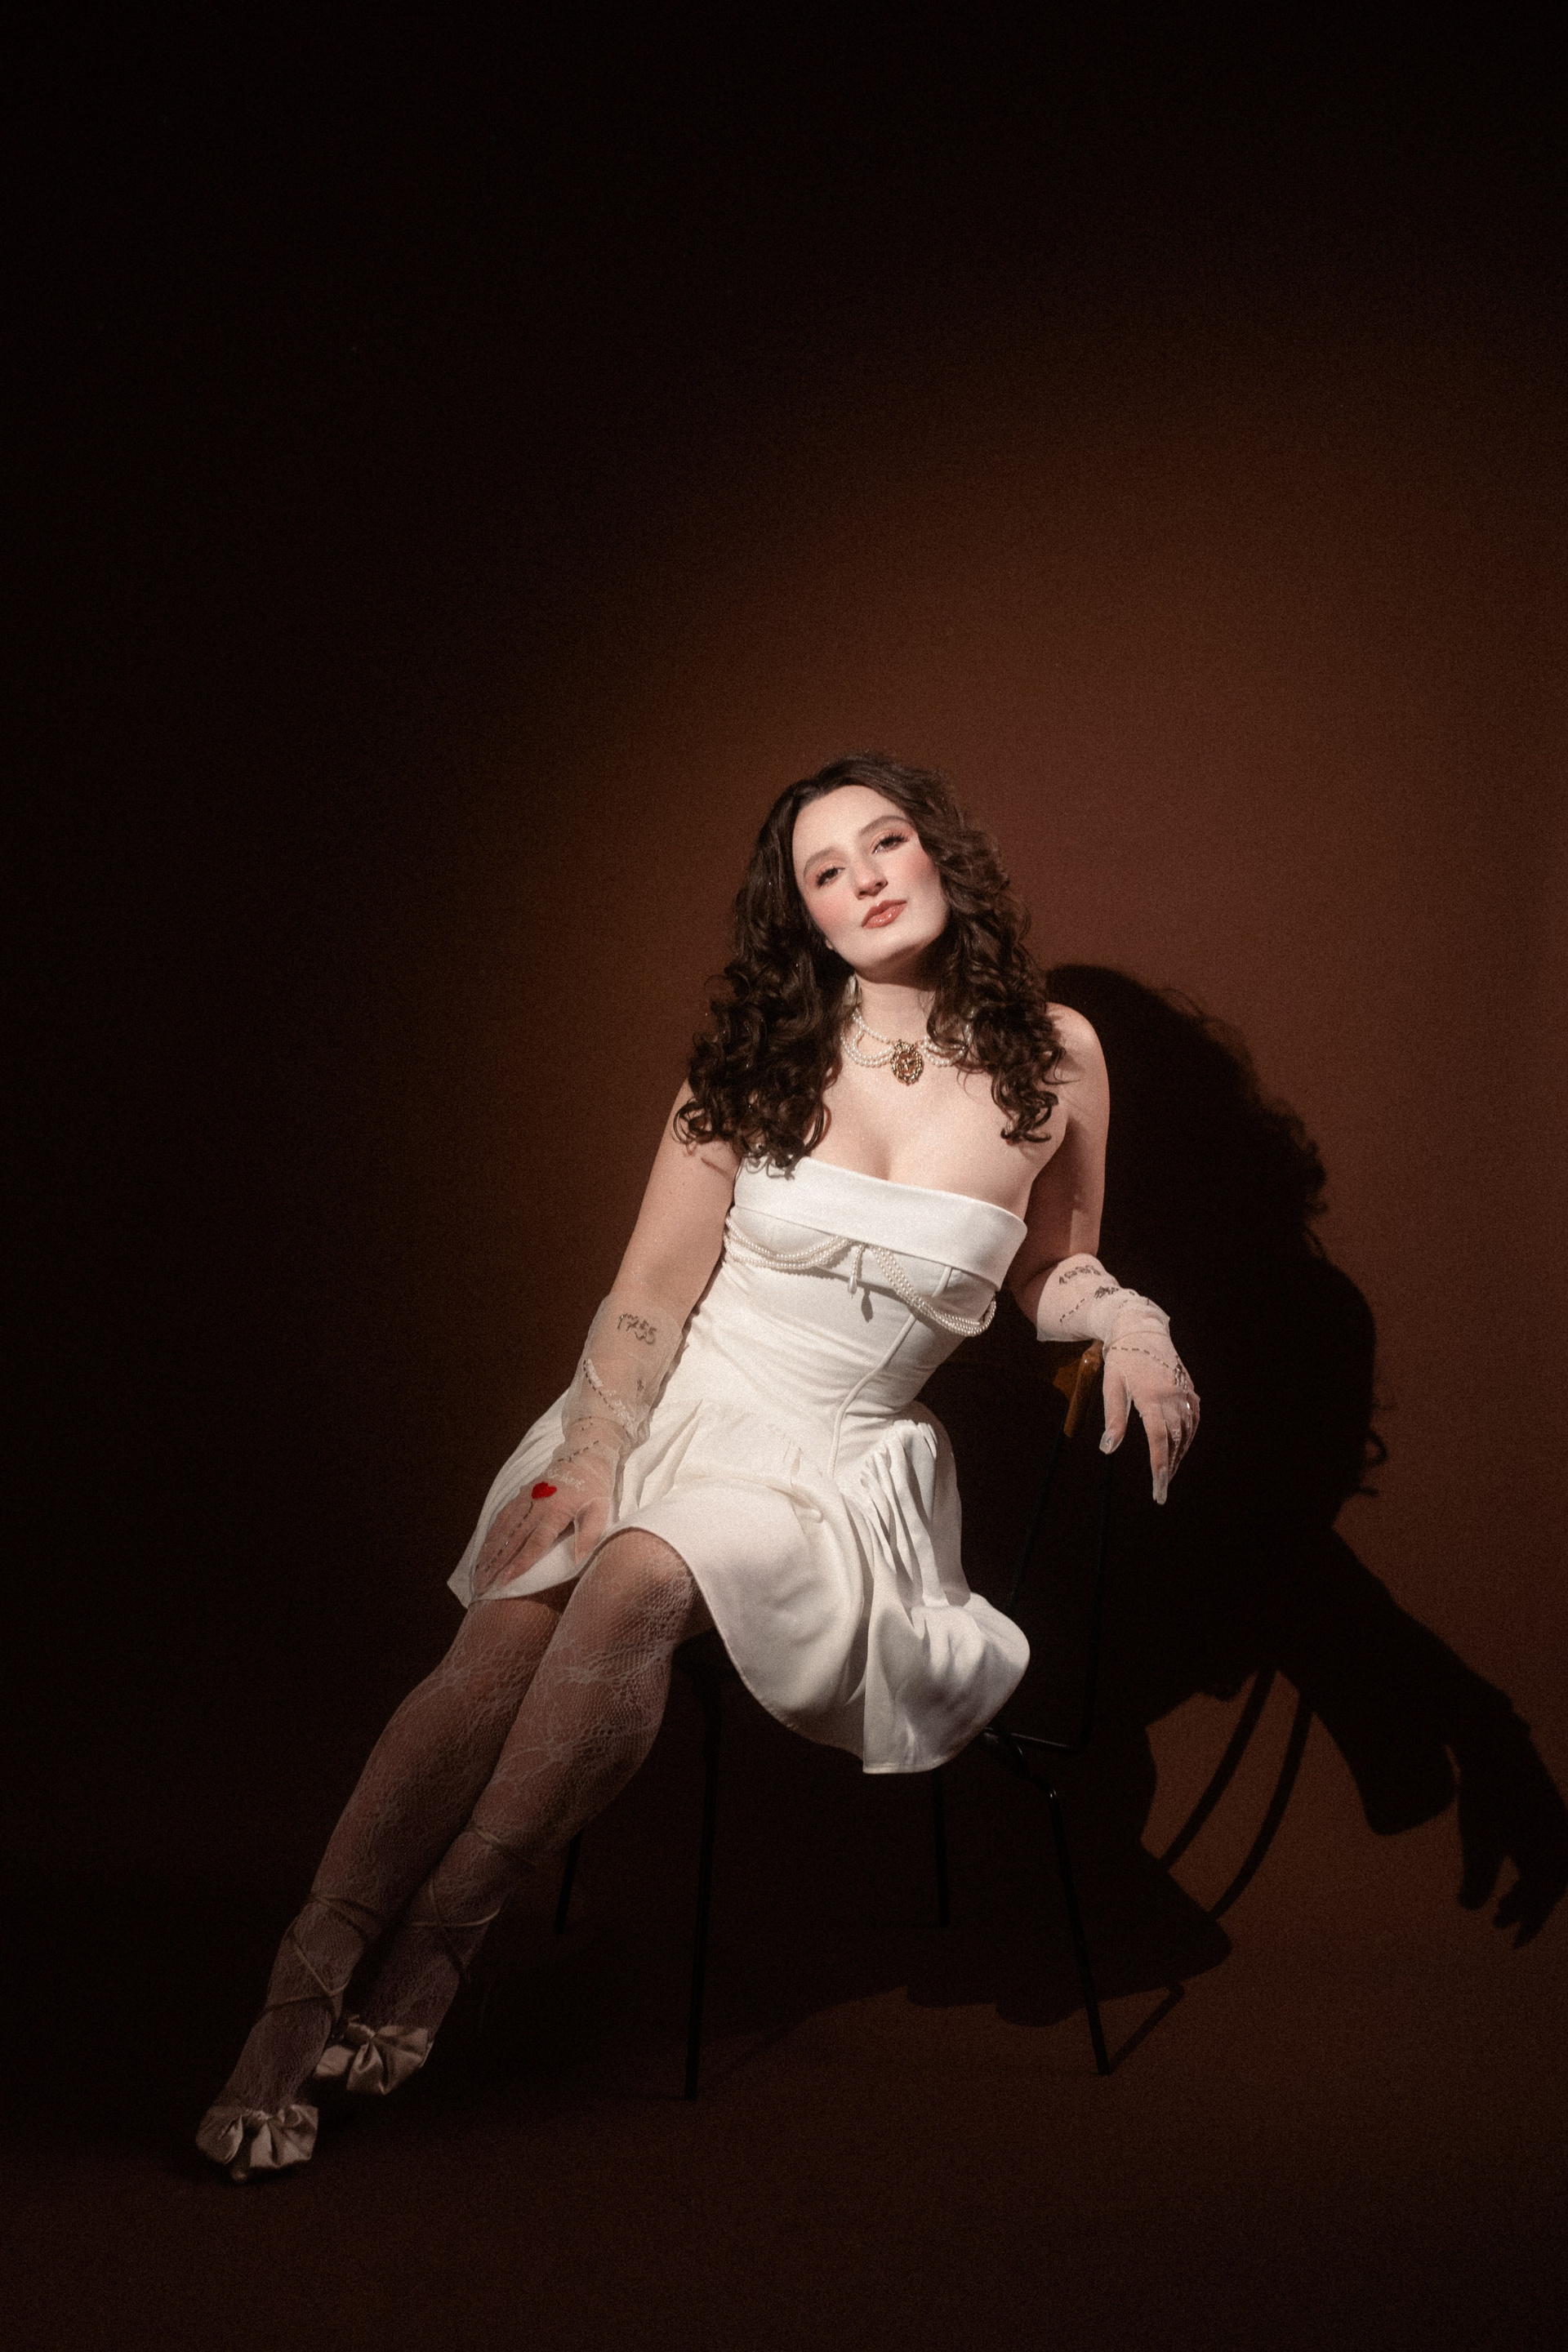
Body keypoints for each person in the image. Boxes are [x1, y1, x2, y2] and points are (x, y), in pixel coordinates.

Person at [196, 753, 1198, 2181]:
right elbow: (650, 1296)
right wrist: (593, 1448)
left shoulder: (1057, 1052)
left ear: (938, 853)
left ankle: (444, 1934)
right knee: (511, 1624)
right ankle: (290, 2012)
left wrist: (1132, 1323)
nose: (866, 880)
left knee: (641, 1574)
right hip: (669, 1406)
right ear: (805, 916)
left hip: (837, 1461)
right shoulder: (754, 1063)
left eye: (886, 843)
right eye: (826, 872)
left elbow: (1054, 1263)